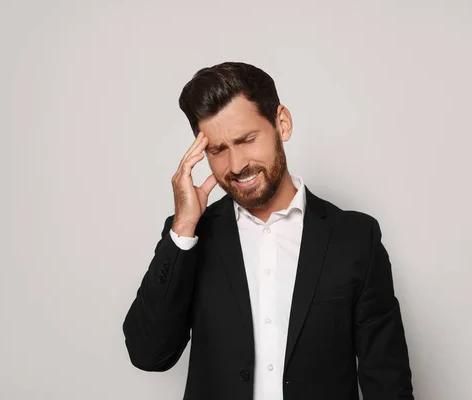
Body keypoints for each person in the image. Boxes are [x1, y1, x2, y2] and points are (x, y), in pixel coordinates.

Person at [123, 61, 414, 400]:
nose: (236, 165)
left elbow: (388, 383)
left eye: (246, 140)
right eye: (218, 150)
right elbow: (148, 354)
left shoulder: (355, 239)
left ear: (282, 123)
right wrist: (184, 227)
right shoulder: (191, 238)